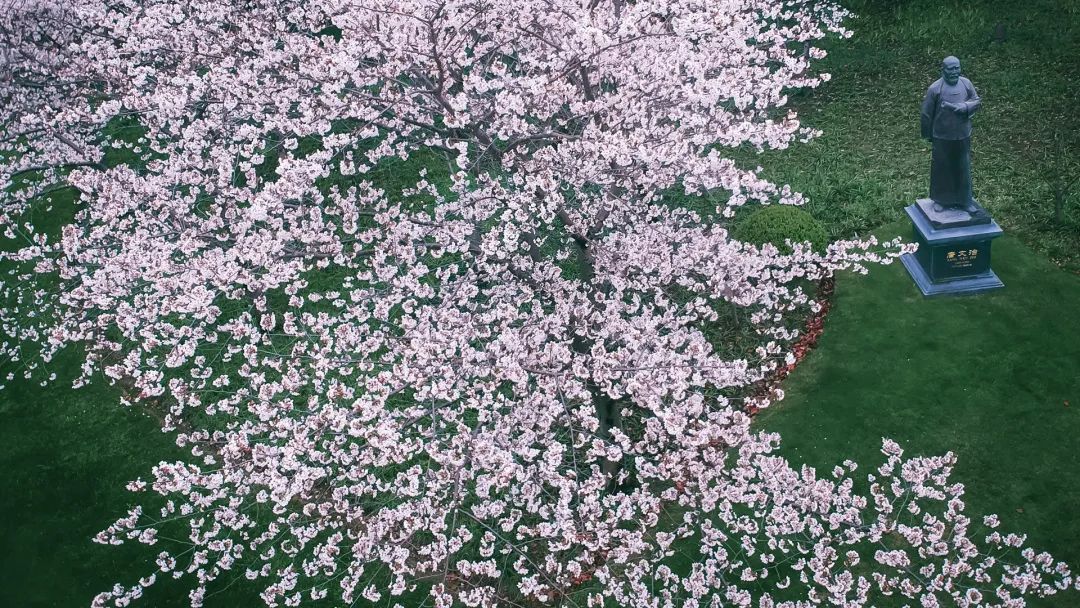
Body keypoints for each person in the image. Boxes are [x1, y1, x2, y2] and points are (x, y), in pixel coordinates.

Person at [920, 56, 981, 212]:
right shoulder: (935, 89)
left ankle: (965, 200)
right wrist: (928, 135)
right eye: (950, 69)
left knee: (963, 167)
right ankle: (941, 200)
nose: (954, 72)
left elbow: (976, 100)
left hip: (962, 134)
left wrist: (965, 107)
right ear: (943, 70)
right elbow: (926, 113)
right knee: (942, 168)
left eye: (957, 68)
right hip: (941, 136)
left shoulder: (966, 84)